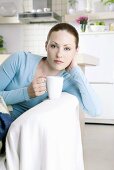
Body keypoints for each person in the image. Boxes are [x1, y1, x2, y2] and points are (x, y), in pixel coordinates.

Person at [0, 22, 101, 170]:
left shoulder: (67, 81)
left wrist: (76, 70)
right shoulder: (20, 60)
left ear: (76, 51)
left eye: (67, 49)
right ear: (46, 45)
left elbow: (95, 110)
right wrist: (26, 93)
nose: (59, 54)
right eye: (54, 46)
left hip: (20, 136)